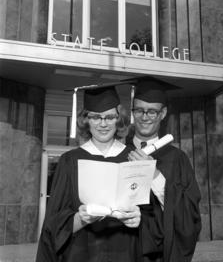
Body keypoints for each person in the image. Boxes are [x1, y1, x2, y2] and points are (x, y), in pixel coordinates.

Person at [35, 83, 156, 262]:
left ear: (118, 119)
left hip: (125, 251)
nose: (103, 124)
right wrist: (80, 218)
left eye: (109, 117)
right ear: (86, 120)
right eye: (96, 117)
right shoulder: (70, 161)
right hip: (81, 252)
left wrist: (139, 220)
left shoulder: (133, 158)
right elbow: (53, 223)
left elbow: (153, 218)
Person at [127, 76, 202, 262]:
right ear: (132, 112)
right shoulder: (118, 153)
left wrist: (155, 177)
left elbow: (190, 216)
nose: (145, 117)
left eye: (152, 111)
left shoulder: (177, 159)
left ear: (163, 113)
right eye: (139, 110)